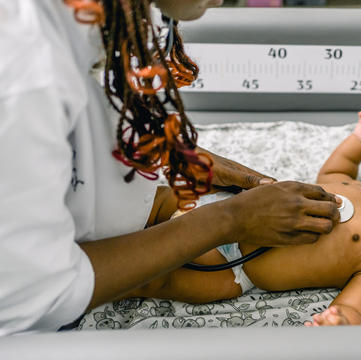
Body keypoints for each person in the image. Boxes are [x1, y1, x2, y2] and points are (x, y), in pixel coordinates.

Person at [0, 0, 340, 336]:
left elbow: (92, 115)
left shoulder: (125, 13)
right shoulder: (26, 72)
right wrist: (228, 220)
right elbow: (40, 293)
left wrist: (167, 149)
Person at [125, 106, 361, 326]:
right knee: (154, 201)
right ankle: (110, 223)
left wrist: (341, 320)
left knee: (157, 279)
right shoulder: (351, 186)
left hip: (233, 269)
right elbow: (338, 165)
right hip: (223, 201)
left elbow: (357, 308)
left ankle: (111, 279)